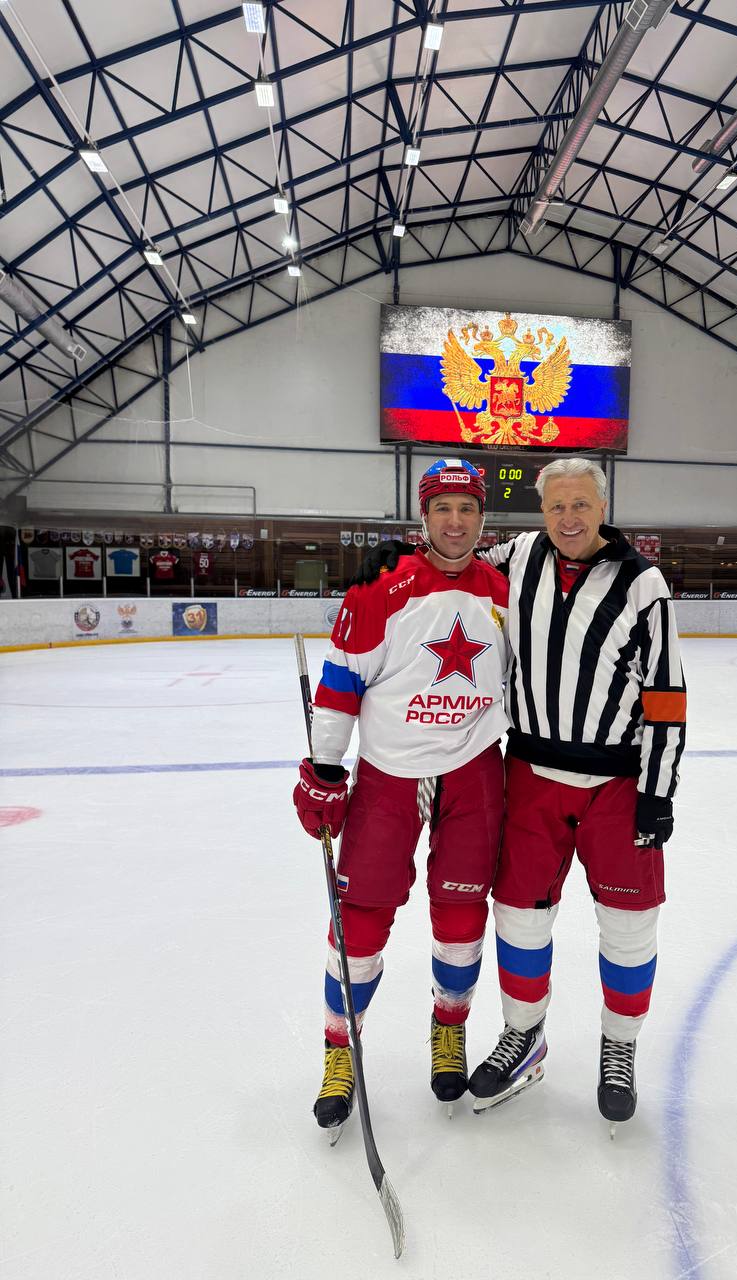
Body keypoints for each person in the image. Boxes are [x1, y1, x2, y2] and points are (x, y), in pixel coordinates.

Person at [356, 458, 686, 1126]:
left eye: (580, 504)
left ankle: (619, 1047)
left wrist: (658, 791)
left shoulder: (643, 583)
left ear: (603, 506)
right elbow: (453, 561)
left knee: (629, 926)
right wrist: (400, 559)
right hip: (531, 775)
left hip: (619, 784)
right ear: (542, 513)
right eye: (556, 506)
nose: (568, 518)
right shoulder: (519, 556)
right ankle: (524, 1036)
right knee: (519, 919)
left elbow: (667, 695)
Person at [293, 459, 510, 1135]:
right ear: (424, 516)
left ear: (483, 517)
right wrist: (325, 771)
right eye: (443, 508)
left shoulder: (504, 591)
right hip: (389, 776)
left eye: (467, 509)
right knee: (359, 920)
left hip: (474, 770)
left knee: (462, 916)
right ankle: (340, 1050)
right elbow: (340, 683)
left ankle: (449, 1030)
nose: (455, 521)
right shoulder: (381, 588)